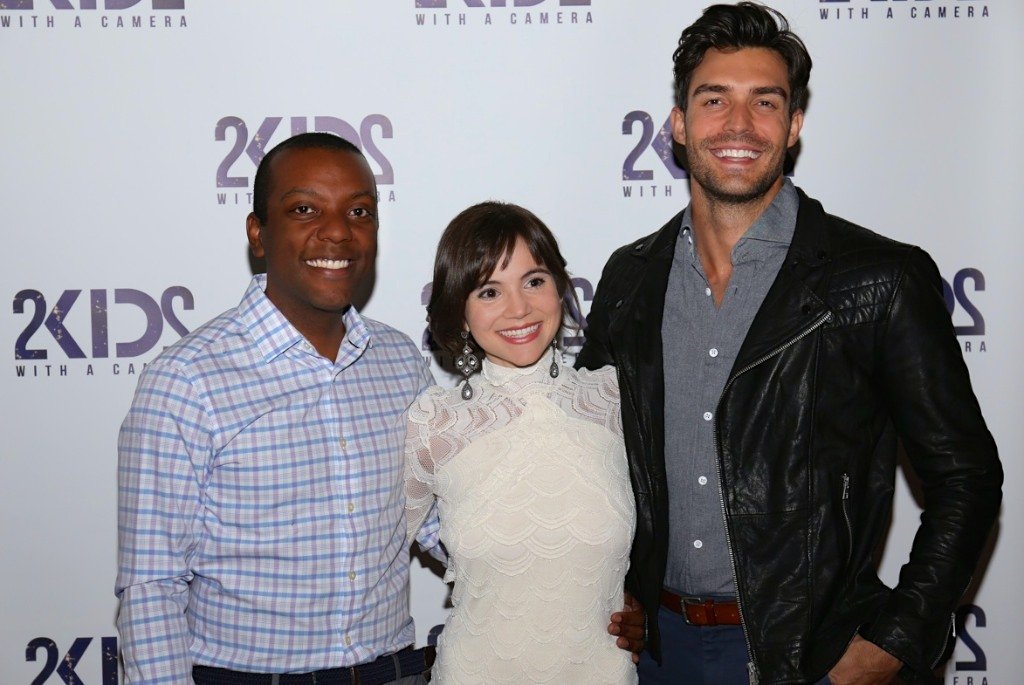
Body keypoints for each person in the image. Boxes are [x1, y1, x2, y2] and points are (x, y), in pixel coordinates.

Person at [576, 3, 1003, 685]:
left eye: (765, 102)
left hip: (816, 656)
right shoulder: (631, 279)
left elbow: (967, 477)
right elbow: (587, 459)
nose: (739, 125)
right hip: (655, 655)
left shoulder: (877, 281)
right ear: (680, 126)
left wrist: (889, 641)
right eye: (714, 100)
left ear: (794, 125)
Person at [115, 133, 438, 684]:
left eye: (359, 210)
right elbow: (152, 585)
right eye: (304, 209)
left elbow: (441, 519)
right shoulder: (187, 380)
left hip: (395, 672)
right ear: (258, 233)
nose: (337, 230)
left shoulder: (401, 361)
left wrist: (573, 581)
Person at [404, 201, 639, 684]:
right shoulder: (435, 422)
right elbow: (383, 544)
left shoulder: (614, 398)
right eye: (489, 291)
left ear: (559, 288)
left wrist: (648, 603)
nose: (519, 308)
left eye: (534, 281)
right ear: (460, 314)